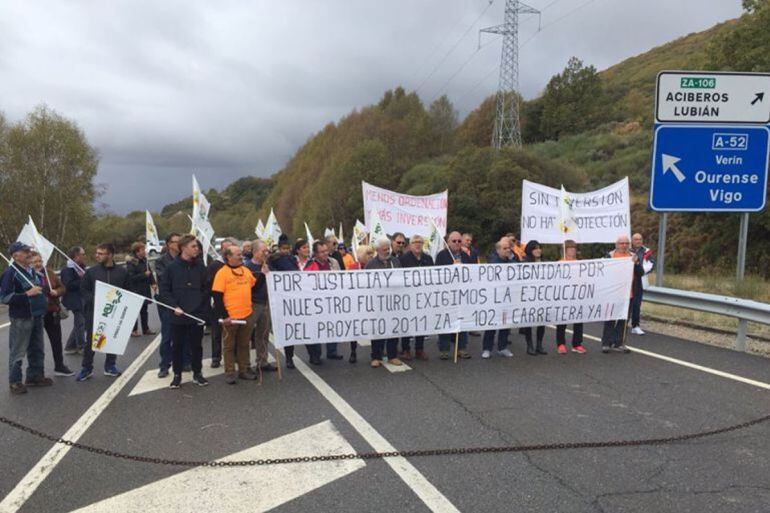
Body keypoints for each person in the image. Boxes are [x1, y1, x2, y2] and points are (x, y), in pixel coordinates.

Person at [158, 235, 209, 389]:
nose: (197, 249)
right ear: (183, 248)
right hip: (177, 314)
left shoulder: (201, 267)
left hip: (196, 314)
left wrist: (203, 311)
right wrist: (174, 306)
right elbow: (164, 290)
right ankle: (177, 375)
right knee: (177, 346)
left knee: (196, 346)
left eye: (197, 246)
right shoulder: (171, 268)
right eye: (193, 246)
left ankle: (197, 373)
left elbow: (206, 290)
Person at [1, 242, 50, 394]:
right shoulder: (11, 273)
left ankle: (35, 376)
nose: (29, 253)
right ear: (16, 256)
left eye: (29, 250)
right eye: (25, 251)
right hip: (22, 318)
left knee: (37, 348)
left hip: (36, 315)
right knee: (18, 350)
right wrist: (27, 294)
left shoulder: (31, 270)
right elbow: (4, 297)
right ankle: (15, 382)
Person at [76, 243, 127, 381]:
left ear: (110, 255)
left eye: (100, 253)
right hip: (94, 313)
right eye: (96, 253)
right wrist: (94, 300)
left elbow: (128, 290)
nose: (96, 255)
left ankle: (110, 366)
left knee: (111, 338)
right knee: (93, 340)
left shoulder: (122, 272)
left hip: (114, 312)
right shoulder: (91, 272)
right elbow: (84, 290)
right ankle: (87, 368)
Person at [211, 244, 258, 383]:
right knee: (229, 346)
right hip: (231, 317)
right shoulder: (222, 273)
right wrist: (225, 316)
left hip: (247, 314)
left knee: (244, 344)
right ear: (228, 257)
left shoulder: (245, 270)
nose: (241, 256)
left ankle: (244, 369)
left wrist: (264, 274)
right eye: (238, 254)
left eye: (240, 254)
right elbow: (217, 296)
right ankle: (230, 372)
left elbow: (255, 286)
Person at [30, 252, 74, 376]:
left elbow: (62, 287)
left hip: (51, 312)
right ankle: (37, 372)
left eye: (40, 261)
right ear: (29, 263)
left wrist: (57, 291)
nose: (38, 264)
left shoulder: (49, 273)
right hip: (36, 314)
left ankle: (59, 366)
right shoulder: (27, 276)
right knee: (36, 344)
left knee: (56, 340)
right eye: (34, 262)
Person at [365, 237, 403, 367]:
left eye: (388, 247)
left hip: (394, 302)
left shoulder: (395, 261)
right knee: (378, 329)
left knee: (393, 328)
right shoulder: (370, 265)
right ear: (377, 250)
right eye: (384, 248)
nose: (387, 250)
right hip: (378, 303)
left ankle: (392, 355)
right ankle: (376, 356)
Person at [435, 231, 474, 360]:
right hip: (447, 295)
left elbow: (472, 273)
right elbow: (437, 275)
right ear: (448, 242)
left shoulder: (465, 256)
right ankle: (444, 349)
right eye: (454, 241)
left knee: (462, 322)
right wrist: (452, 269)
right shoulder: (441, 256)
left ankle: (461, 348)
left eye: (459, 241)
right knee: (446, 321)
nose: (457, 243)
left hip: (462, 295)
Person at [601, 235, 642, 354]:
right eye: (621, 243)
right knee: (611, 318)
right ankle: (606, 343)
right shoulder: (610, 256)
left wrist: (637, 263)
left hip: (628, 294)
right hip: (613, 294)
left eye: (626, 243)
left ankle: (618, 343)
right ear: (616, 244)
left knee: (623, 320)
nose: (624, 245)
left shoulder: (632, 256)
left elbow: (640, 273)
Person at [305, 241, 343, 363]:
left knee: (332, 326)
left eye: (326, 251)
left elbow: (341, 279)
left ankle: (332, 351)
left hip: (332, 300)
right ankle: (315, 355)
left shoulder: (334, 262)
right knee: (316, 327)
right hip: (315, 303)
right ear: (315, 253)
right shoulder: (310, 265)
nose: (325, 253)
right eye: (322, 252)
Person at [398, 234, 433, 361]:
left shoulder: (428, 259)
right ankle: (406, 349)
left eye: (420, 242)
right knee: (407, 323)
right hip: (408, 297)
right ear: (410, 245)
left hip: (423, 297)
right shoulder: (403, 259)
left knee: (421, 323)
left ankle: (419, 349)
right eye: (415, 242)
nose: (418, 244)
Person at [155, 232, 186, 378]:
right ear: (168, 244)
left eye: (180, 241)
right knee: (167, 335)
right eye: (175, 242)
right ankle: (164, 365)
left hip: (183, 301)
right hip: (167, 303)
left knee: (184, 334)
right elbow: (163, 278)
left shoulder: (185, 259)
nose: (178, 244)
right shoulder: (161, 261)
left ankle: (185, 361)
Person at [244, 240, 277, 373]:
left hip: (266, 303)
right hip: (253, 303)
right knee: (246, 335)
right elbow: (250, 288)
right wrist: (262, 276)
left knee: (263, 334)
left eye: (267, 251)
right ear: (255, 252)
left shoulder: (268, 265)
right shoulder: (247, 268)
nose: (266, 253)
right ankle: (245, 365)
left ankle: (262, 361)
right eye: (263, 251)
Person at [481, 238, 515, 359]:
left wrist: (513, 259)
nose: (508, 250)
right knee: (492, 325)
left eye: (509, 248)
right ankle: (487, 348)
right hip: (494, 298)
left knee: (505, 324)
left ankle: (502, 347)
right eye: (505, 248)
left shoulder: (511, 261)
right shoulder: (493, 261)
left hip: (507, 298)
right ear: (498, 250)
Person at [206, 237, 236, 369]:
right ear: (222, 250)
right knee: (217, 332)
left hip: (233, 303)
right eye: (226, 248)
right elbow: (209, 285)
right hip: (218, 303)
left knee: (233, 331)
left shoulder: (236, 264)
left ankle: (233, 355)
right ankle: (216, 357)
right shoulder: (215, 265)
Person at [272, 239, 301, 369]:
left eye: (287, 248)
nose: (286, 251)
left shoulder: (292, 259)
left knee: (294, 328)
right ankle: (288, 358)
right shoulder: (272, 259)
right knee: (286, 328)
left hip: (293, 296)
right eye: (283, 248)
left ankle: (291, 356)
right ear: (279, 248)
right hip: (281, 298)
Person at [555, 240, 587, 355]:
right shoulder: (559, 263)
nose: (572, 250)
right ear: (564, 249)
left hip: (577, 296)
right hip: (564, 296)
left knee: (578, 321)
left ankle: (577, 344)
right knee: (562, 321)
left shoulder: (580, 264)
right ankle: (561, 344)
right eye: (570, 248)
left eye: (574, 247)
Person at [344, 245, 374, 364]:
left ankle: (377, 352)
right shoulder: (353, 267)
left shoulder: (374, 266)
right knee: (355, 328)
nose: (371, 256)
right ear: (361, 255)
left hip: (371, 302)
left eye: (371, 253)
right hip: (357, 302)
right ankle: (353, 351)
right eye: (368, 254)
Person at [520, 240, 547, 356]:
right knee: (529, 322)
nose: (538, 250)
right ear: (530, 250)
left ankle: (539, 345)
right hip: (529, 296)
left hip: (541, 296)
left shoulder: (544, 263)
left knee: (542, 321)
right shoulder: (525, 263)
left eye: (539, 248)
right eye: (535, 248)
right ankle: (529, 345)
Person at [126, 241, 156, 337]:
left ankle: (145, 328)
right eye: (142, 249)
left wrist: (153, 282)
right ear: (137, 251)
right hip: (136, 289)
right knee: (135, 311)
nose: (144, 251)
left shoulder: (145, 260)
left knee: (144, 310)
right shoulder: (132, 262)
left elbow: (149, 272)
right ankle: (133, 330)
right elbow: (131, 277)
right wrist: (143, 275)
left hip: (145, 288)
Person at [61, 246, 87, 355]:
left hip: (82, 298)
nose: (84, 256)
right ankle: (81, 346)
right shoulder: (67, 269)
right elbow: (69, 285)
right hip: (74, 299)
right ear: (76, 256)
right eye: (83, 254)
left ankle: (70, 346)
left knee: (81, 323)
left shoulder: (81, 267)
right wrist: (83, 280)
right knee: (80, 323)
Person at [630, 233, 655, 335]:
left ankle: (635, 326)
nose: (638, 241)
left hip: (639, 281)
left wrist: (641, 270)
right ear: (632, 240)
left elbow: (652, 264)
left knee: (636, 304)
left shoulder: (646, 251)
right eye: (636, 239)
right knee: (626, 304)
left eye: (640, 239)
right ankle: (621, 325)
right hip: (626, 280)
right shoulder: (626, 249)